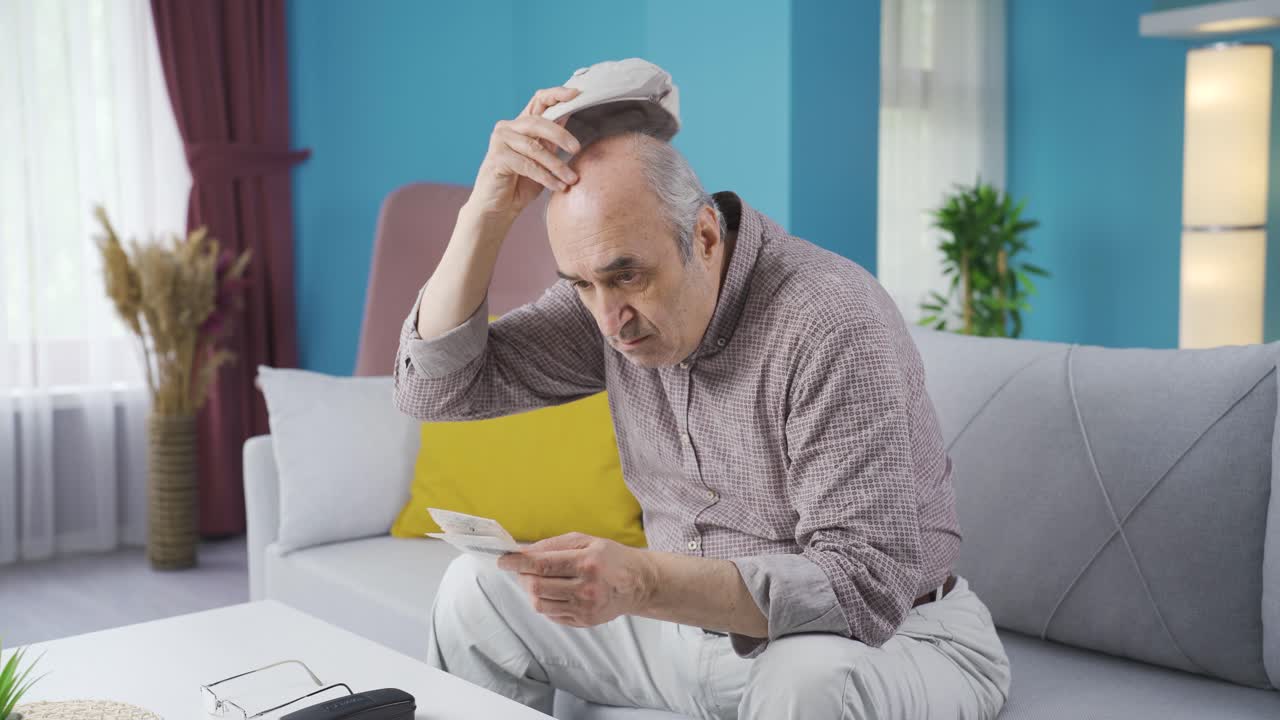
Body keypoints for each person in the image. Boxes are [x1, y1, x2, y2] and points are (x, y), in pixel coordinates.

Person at [392, 84, 1011, 719]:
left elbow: (863, 587)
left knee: (805, 676)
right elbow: (436, 387)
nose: (610, 319)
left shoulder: (829, 320)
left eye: (627, 275)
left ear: (706, 236)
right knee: (478, 594)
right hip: (688, 633)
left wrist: (645, 580)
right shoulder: (606, 310)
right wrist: (484, 215)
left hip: (890, 640)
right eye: (582, 285)